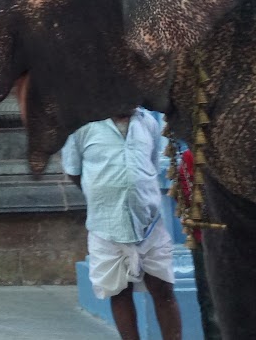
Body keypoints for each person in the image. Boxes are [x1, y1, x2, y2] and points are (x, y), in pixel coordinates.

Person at [61, 109, 181, 340]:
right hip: (106, 225)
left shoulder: (148, 123)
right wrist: (102, 194)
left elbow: (152, 164)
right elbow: (74, 171)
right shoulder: (82, 125)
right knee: (119, 293)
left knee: (164, 290)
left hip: (149, 223)